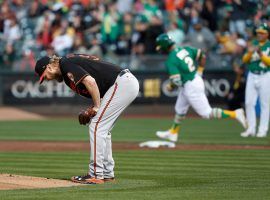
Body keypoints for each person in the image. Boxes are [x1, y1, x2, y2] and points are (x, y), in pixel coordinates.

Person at [34, 54, 139, 184]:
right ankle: (106, 173)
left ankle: (95, 174)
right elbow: (100, 87)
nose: (47, 80)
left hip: (121, 83)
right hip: (122, 84)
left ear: (49, 67)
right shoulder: (67, 68)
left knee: (96, 126)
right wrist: (93, 108)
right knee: (102, 129)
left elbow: (91, 82)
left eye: (45, 76)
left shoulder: (65, 63)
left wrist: (96, 107)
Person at [155, 33, 247, 142]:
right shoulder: (185, 49)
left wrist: (170, 86)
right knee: (180, 109)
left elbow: (176, 81)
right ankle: (173, 133)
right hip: (194, 79)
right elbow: (202, 55)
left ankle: (235, 113)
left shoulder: (171, 59)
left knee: (206, 113)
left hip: (190, 85)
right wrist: (200, 71)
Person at [241, 23, 270, 138]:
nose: (259, 35)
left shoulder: (268, 45)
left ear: (267, 34)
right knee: (248, 102)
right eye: (258, 32)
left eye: (262, 33)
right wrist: (249, 52)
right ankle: (251, 129)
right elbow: (245, 60)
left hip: (265, 75)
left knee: (265, 104)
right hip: (252, 74)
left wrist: (260, 54)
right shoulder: (253, 43)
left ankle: (263, 129)